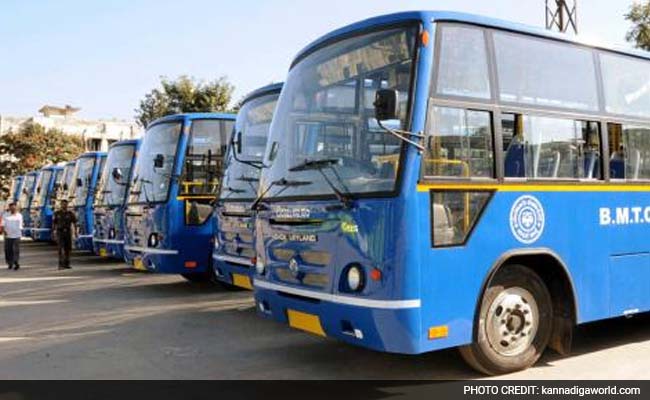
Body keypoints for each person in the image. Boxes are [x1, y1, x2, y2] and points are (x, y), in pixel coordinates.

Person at [52, 199, 77, 270]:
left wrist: (75, 232)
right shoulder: (57, 213)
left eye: (65, 204)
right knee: (60, 249)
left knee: (68, 249)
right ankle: (60, 264)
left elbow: (74, 223)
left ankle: (67, 264)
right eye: (62, 204)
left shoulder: (70, 213)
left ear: (67, 205)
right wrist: (53, 232)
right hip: (60, 232)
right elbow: (54, 223)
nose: (64, 205)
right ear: (60, 205)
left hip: (68, 232)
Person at [1, 202, 23, 270]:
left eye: (14, 208)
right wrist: (4, 231)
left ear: (16, 208)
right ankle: (10, 263)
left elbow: (21, 225)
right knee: (8, 250)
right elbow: (2, 225)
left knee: (15, 250)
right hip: (8, 235)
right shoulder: (5, 215)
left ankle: (16, 262)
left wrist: (20, 232)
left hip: (17, 235)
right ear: (9, 208)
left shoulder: (19, 215)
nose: (13, 209)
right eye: (11, 208)